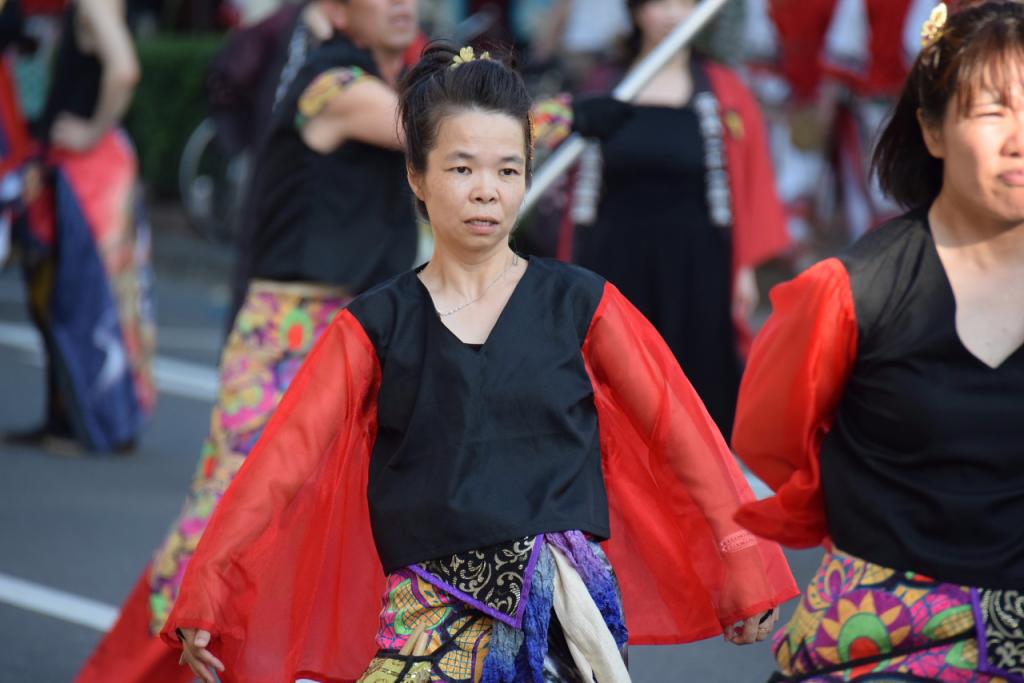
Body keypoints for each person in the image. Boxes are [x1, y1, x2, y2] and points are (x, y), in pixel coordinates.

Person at [161, 41, 798, 683]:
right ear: (417, 176)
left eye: (508, 170)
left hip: (562, 627)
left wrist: (742, 560)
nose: (487, 192)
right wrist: (210, 581)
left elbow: (682, 434)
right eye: (461, 168)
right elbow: (281, 461)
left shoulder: (582, 304)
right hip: (422, 623)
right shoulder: (375, 325)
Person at [74, 0, 420, 681]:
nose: (402, 3)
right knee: (228, 520)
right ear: (336, 10)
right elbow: (441, 131)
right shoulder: (330, 85)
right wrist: (564, 116)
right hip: (286, 335)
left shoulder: (393, 83)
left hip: (365, 335)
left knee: (354, 519)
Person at [732, 2, 1024, 680]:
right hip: (879, 638)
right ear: (932, 129)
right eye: (993, 111)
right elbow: (774, 442)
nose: (1019, 139)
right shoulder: (851, 291)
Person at [535, 0, 790, 439]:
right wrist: (567, 117)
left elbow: (751, 177)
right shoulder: (604, 84)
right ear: (637, 12)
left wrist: (744, 267)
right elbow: (542, 133)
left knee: (697, 390)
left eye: (684, 4)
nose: (673, 14)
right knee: (617, 388)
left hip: (696, 263)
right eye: (660, 4)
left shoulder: (724, 89)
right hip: (615, 259)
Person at [4, 0, 155, 454]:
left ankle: (94, 421)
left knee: (87, 295)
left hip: (89, 171)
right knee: (68, 293)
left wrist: (93, 131)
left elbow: (124, 69)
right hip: (77, 166)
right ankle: (70, 416)